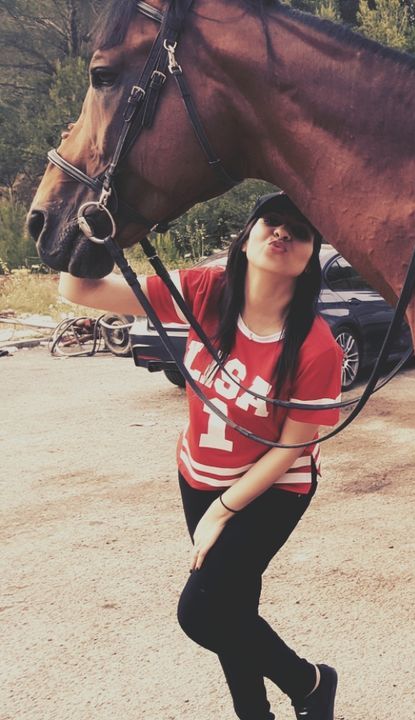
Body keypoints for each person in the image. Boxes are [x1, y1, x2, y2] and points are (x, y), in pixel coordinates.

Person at [59, 192, 344, 720]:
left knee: (202, 613)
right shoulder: (203, 290)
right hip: (198, 472)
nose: (282, 233)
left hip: (273, 487)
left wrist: (225, 508)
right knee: (233, 607)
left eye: (299, 230)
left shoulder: (315, 344)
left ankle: (309, 683)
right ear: (247, 236)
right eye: (271, 221)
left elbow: (294, 444)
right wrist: (102, 228)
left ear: (310, 257)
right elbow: (77, 289)